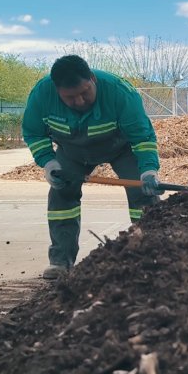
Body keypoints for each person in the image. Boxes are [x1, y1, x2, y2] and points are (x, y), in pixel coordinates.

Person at [22, 55, 162, 279]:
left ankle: (156, 254)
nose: (79, 101)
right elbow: (33, 133)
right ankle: (60, 262)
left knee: (143, 193)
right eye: (70, 97)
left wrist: (148, 170)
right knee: (61, 194)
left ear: (93, 79)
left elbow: (142, 136)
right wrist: (49, 162)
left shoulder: (120, 93)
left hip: (120, 147)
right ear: (56, 90)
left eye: (85, 92)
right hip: (72, 151)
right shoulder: (42, 94)